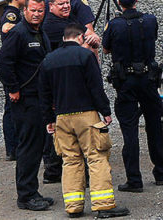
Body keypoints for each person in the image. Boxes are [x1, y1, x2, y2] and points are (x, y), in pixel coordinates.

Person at [40, 23, 129, 219]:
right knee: (96, 157)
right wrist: (105, 111)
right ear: (80, 38)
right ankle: (103, 206)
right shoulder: (85, 56)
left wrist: (49, 118)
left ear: (64, 38)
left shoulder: (49, 60)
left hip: (62, 117)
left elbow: (44, 94)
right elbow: (95, 87)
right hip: (86, 115)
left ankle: (73, 206)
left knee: (70, 160)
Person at [101, 0, 163, 192]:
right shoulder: (150, 20)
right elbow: (153, 39)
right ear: (136, 0)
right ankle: (161, 172)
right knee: (154, 126)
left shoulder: (114, 25)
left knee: (129, 130)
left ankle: (134, 179)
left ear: (119, 4)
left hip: (126, 82)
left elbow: (105, 48)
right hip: (148, 78)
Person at [0, 0, 54, 212]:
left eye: (40, 11)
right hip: (26, 100)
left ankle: (33, 190)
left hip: (38, 98)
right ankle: (26, 196)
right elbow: (3, 61)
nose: (37, 14)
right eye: (33, 11)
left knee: (37, 145)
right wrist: (13, 88)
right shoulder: (19, 33)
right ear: (25, 11)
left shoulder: (39, 32)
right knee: (28, 147)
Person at [39, 0, 73, 184]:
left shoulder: (63, 20)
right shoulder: (53, 26)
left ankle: (53, 168)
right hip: (56, 84)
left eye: (68, 2)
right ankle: (52, 170)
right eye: (61, 4)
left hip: (60, 81)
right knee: (55, 125)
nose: (66, 6)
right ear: (51, 6)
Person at [0, 0, 30, 162]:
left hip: (14, 64)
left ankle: (14, 145)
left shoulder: (13, 12)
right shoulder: (12, 15)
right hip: (14, 66)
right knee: (12, 106)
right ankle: (13, 147)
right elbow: (7, 29)